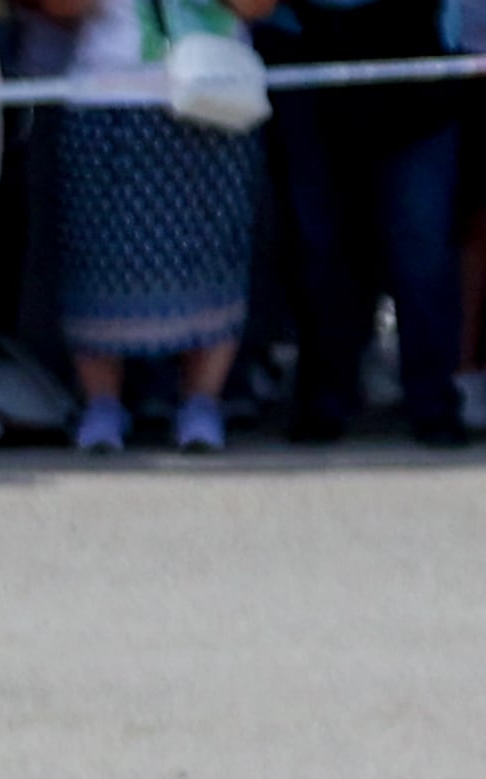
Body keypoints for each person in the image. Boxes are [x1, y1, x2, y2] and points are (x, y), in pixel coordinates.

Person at [46, 0, 277, 449]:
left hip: (215, 96)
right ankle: (103, 406)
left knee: (213, 258)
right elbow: (57, 8)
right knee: (97, 262)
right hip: (106, 98)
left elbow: (259, 6)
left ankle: (202, 403)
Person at [264, 0, 467, 442]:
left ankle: (432, 400)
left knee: (422, 246)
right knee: (319, 245)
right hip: (306, 52)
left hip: (416, 57)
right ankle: (325, 396)